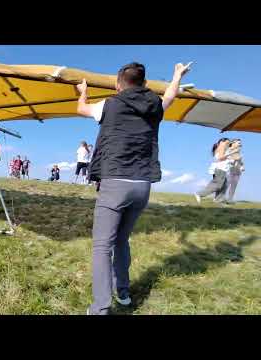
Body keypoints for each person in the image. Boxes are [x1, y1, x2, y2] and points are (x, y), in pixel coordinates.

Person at [77, 61, 192, 315]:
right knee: (121, 239)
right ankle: (124, 294)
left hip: (115, 182)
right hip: (142, 185)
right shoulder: (154, 106)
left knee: (101, 246)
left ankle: (100, 307)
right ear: (145, 85)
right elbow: (171, 95)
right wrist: (176, 75)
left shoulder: (110, 104)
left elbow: (81, 108)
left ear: (119, 85)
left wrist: (83, 90)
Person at [195, 138, 231, 204]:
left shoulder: (222, 148)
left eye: (228, 143)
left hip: (222, 169)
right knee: (218, 185)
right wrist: (230, 154)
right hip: (220, 169)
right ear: (222, 142)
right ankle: (200, 194)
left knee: (224, 185)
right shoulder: (221, 147)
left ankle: (218, 200)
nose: (228, 144)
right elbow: (220, 158)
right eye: (227, 143)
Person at [226, 139, 245, 203]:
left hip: (237, 171)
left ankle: (230, 199)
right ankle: (219, 197)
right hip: (230, 169)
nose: (240, 144)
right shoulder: (229, 150)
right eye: (238, 143)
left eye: (240, 143)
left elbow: (240, 161)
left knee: (234, 186)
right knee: (226, 184)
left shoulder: (238, 152)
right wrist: (233, 159)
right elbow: (226, 158)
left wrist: (242, 167)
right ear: (233, 143)